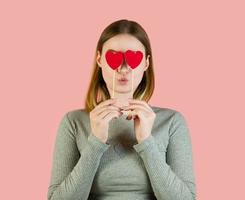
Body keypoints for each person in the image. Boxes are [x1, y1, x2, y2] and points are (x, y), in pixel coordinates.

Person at [47, 19, 196, 200]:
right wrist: (96, 142)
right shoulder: (73, 122)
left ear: (146, 63)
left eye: (133, 58)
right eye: (114, 57)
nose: (123, 68)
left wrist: (146, 142)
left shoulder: (172, 121)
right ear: (100, 60)